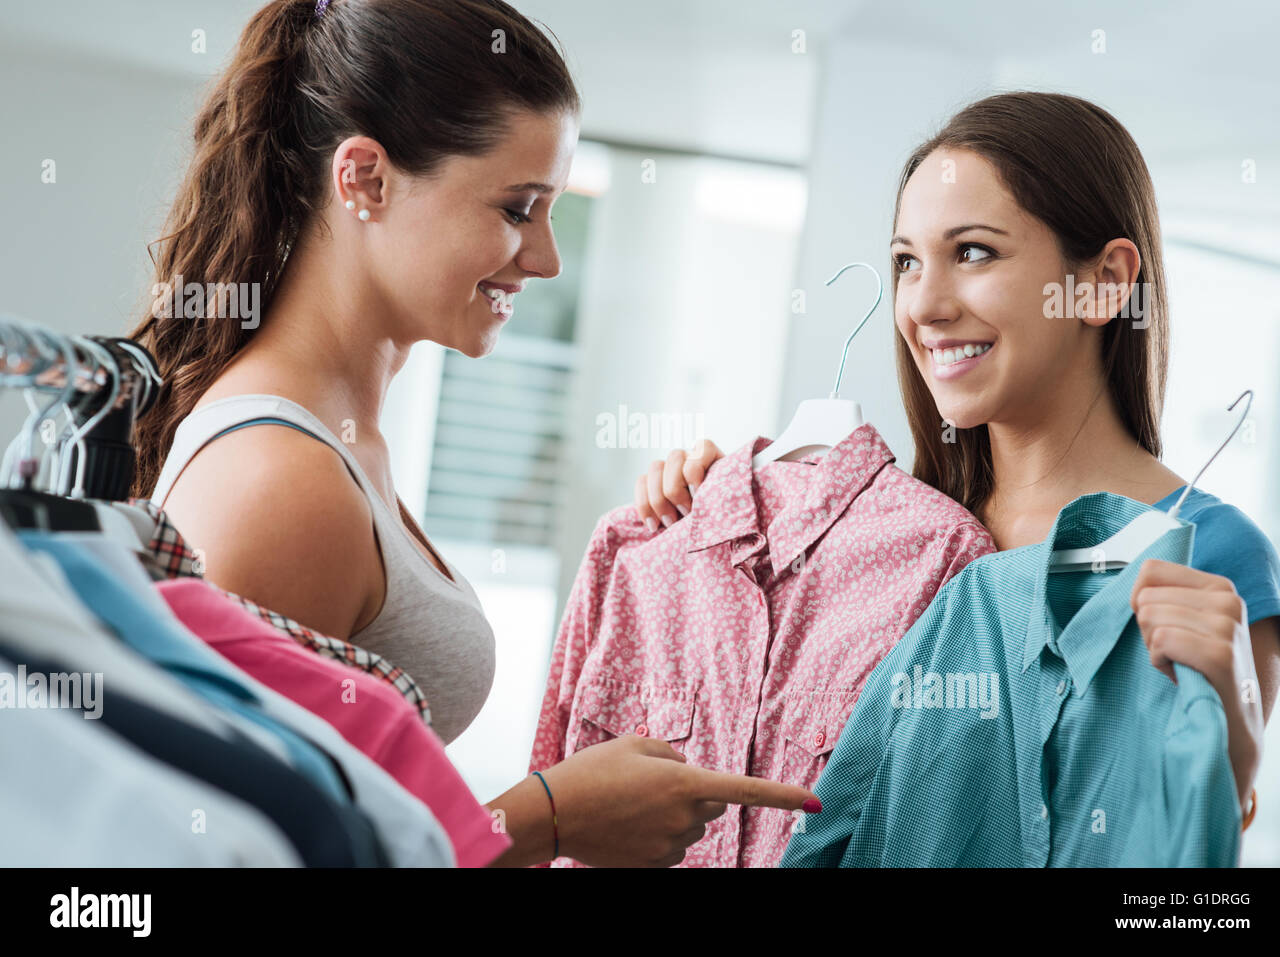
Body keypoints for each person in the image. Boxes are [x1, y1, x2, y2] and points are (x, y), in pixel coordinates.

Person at [128, 0, 816, 868]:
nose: (546, 257)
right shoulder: (278, 480)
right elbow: (219, 856)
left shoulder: (336, 446)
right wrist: (544, 818)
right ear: (365, 179)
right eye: (518, 208)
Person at [635, 92, 1280, 825]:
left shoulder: (1215, 558)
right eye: (907, 263)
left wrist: (1232, 722)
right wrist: (720, 501)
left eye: (973, 252)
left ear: (1104, 282)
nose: (924, 304)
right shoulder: (884, 537)